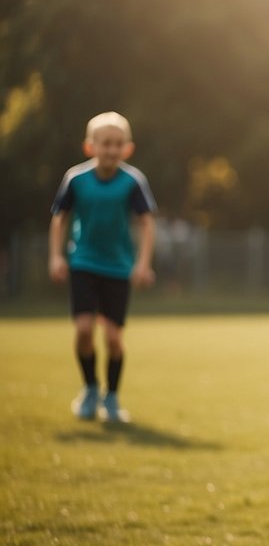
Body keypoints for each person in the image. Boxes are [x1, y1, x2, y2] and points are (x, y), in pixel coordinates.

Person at [48, 111, 157, 423]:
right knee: (83, 330)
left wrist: (142, 263)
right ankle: (90, 388)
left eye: (117, 144)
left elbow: (147, 223)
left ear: (127, 148)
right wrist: (56, 257)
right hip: (82, 261)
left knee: (112, 338)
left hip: (118, 268)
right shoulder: (76, 179)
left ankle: (111, 396)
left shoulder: (133, 181)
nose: (111, 149)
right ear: (90, 146)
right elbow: (60, 218)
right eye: (105, 143)